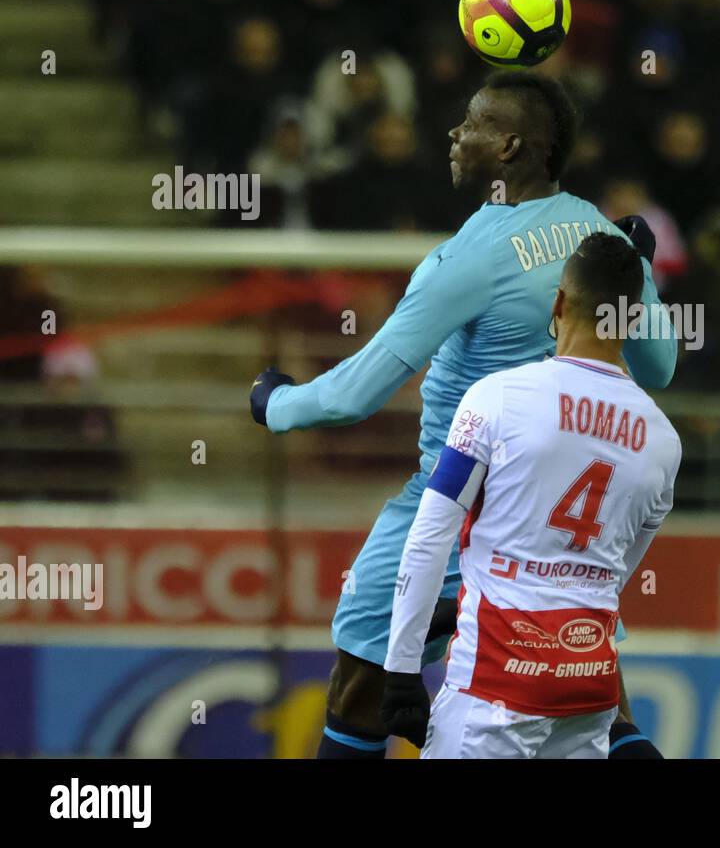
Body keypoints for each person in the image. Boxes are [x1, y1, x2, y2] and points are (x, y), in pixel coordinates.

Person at [247, 71, 677, 758]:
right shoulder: (600, 235)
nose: (454, 134)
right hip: (565, 512)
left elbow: (358, 392)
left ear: (509, 148)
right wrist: (641, 270)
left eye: (472, 123)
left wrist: (277, 405)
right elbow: (659, 367)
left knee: (358, 688)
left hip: (464, 492)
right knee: (589, 695)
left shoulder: (470, 259)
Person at [381, 233, 681, 758]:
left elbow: (430, 535)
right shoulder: (663, 439)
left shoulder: (495, 397)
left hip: (496, 685)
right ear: (632, 322)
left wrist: (402, 668)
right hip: (588, 688)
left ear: (559, 303)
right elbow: (612, 573)